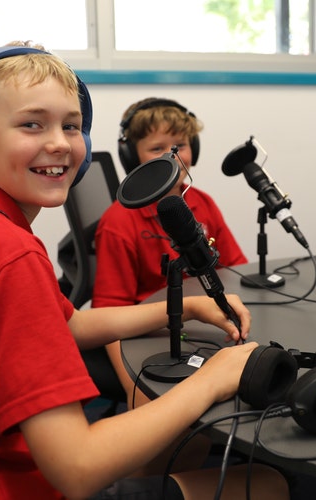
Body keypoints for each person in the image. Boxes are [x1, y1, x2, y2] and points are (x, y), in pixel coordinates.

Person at [0, 42, 288, 500]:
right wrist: (216, 378)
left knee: (180, 441)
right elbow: (78, 468)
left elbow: (69, 323)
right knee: (267, 483)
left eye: (71, 126)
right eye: (32, 124)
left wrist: (187, 307)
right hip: (7, 487)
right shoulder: (8, 257)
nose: (58, 142)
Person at [93, 98, 248, 410]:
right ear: (131, 156)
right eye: (156, 148)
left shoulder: (202, 203)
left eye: (179, 145)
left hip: (205, 325)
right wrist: (132, 388)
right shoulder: (119, 222)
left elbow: (236, 269)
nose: (171, 157)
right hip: (151, 337)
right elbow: (107, 318)